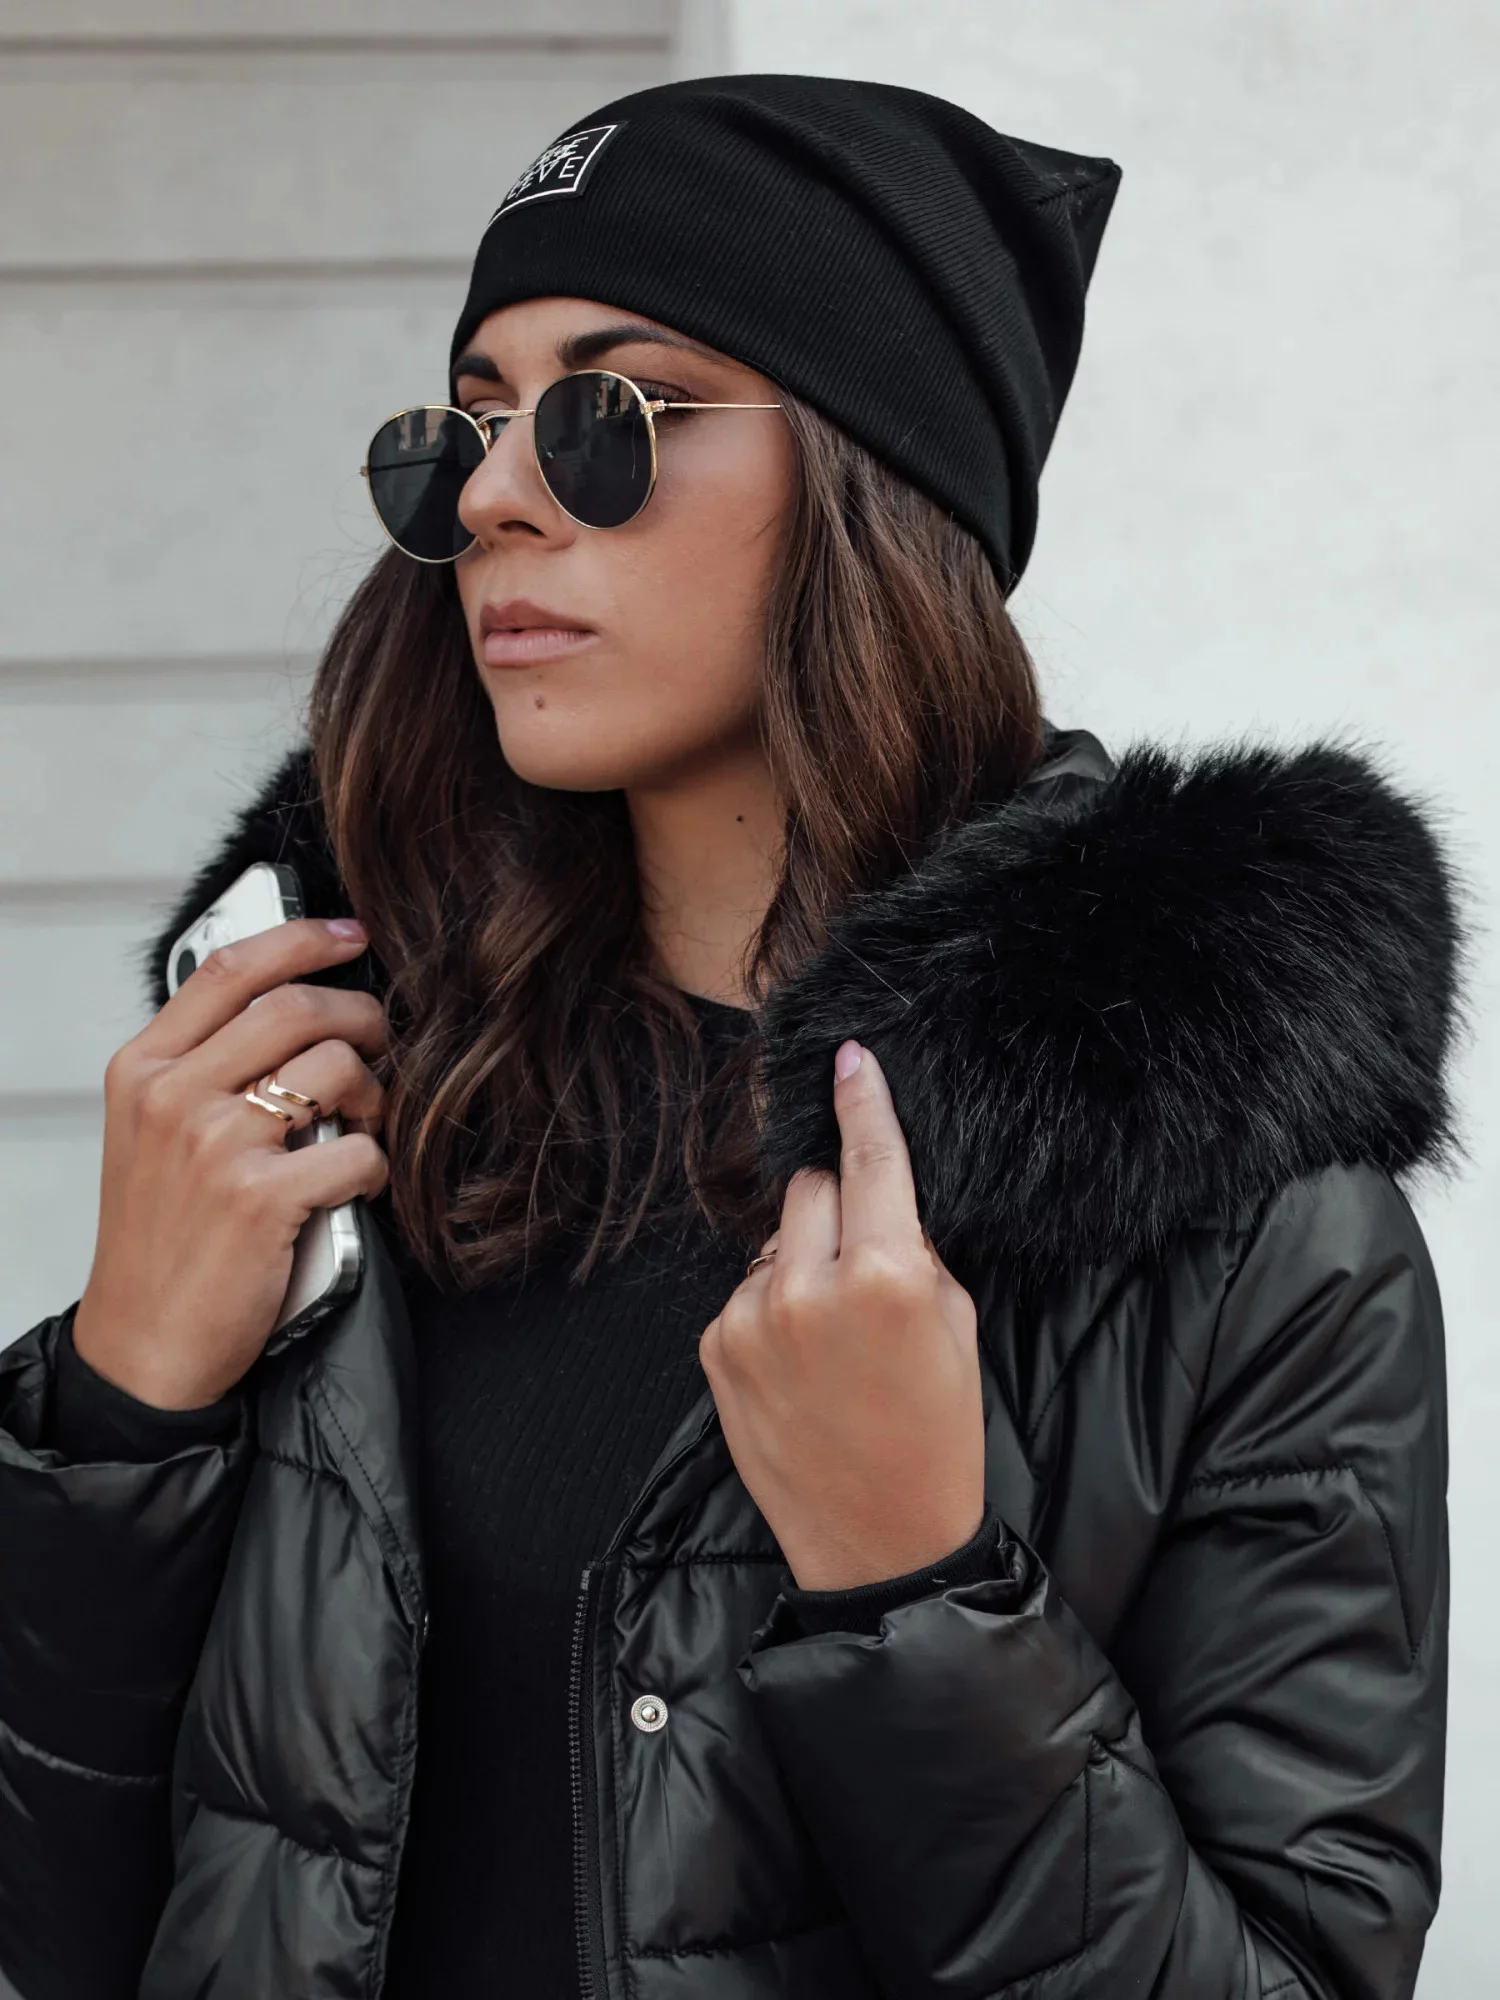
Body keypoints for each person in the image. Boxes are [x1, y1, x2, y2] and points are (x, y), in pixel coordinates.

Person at [0, 73, 1455, 2000]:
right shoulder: (327, 1095)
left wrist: (922, 1593)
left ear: (875, 477)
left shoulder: (1239, 1225)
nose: (496, 497)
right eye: (472, 424)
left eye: (614, 415)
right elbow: (69, 1931)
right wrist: (116, 1412)